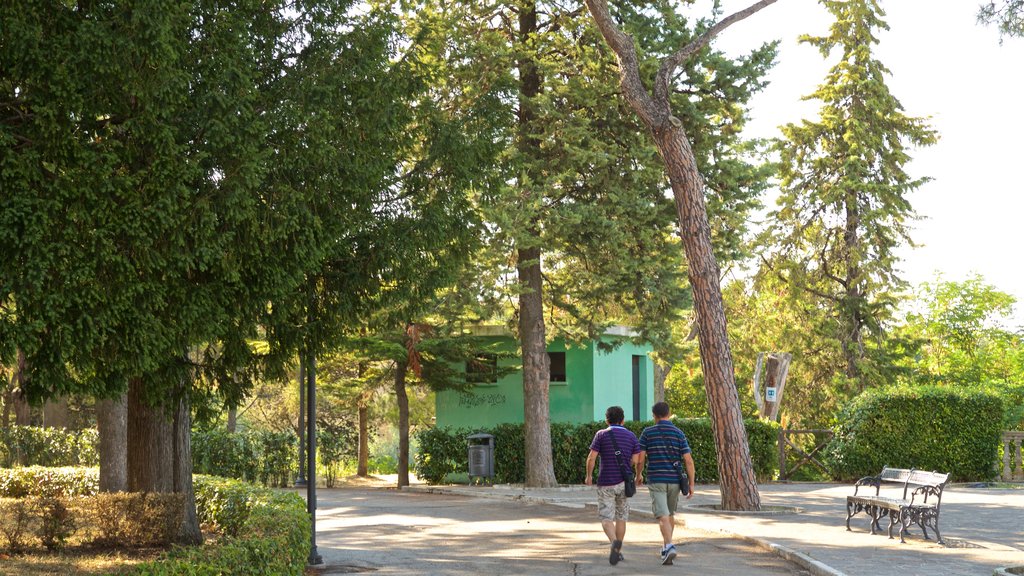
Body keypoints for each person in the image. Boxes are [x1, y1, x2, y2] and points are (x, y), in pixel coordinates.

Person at [637, 401, 695, 565]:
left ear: (654, 416)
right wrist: (691, 484)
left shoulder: (648, 433)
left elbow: (640, 458)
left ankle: (669, 545)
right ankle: (666, 547)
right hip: (675, 481)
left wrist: (638, 474)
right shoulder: (678, 433)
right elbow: (688, 461)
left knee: (662, 515)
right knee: (669, 514)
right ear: (669, 414)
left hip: (656, 479)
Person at [585, 405, 641, 566]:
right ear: (623, 420)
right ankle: (618, 549)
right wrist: (636, 474)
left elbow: (591, 458)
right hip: (624, 483)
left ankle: (614, 543)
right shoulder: (631, 436)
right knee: (621, 517)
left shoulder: (601, 434)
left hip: (606, 483)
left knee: (606, 517)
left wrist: (589, 476)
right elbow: (636, 460)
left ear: (606, 420)